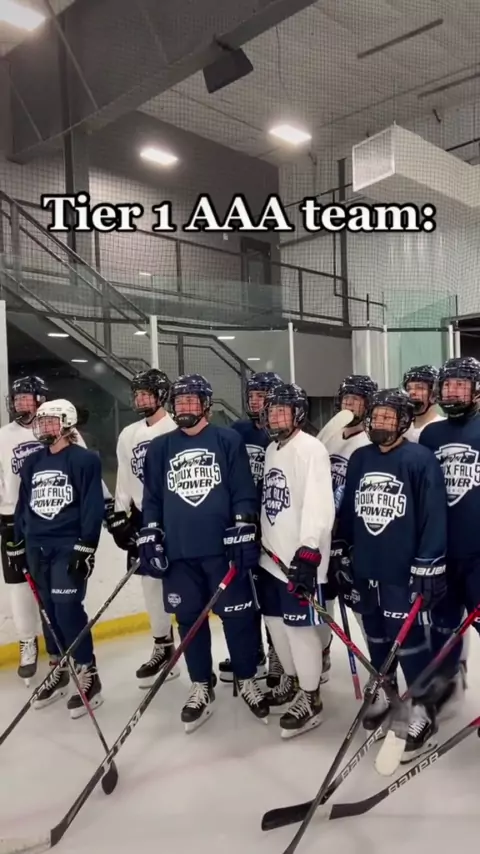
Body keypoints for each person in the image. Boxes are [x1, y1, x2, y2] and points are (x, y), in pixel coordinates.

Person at [140, 373, 268, 733]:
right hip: (179, 553)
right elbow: (152, 498)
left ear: (206, 404)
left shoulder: (227, 440)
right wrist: (150, 532)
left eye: (191, 400)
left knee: (238, 618)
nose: (184, 407)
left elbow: (243, 490)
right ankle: (201, 684)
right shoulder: (160, 447)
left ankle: (246, 678)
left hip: (222, 551)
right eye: (179, 401)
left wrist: (243, 524)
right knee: (189, 621)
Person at [335, 388, 448, 761]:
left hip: (403, 569)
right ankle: (386, 693)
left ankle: (422, 710)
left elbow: (433, 514)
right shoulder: (361, 458)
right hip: (368, 566)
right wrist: (341, 548)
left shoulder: (419, 459)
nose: (381, 422)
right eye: (377, 416)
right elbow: (348, 511)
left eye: (389, 417)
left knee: (410, 641)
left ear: (403, 421)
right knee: (376, 635)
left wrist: (429, 561)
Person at [0, 375, 110, 684]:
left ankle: (87, 668)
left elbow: (91, 504)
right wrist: (17, 543)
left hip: (67, 544)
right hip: (36, 543)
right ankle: (58, 664)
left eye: (51, 422)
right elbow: (23, 505)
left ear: (66, 423)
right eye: (42, 422)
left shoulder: (84, 459)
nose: (44, 427)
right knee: (47, 609)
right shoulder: (32, 461)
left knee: (66, 608)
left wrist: (86, 545)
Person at [258, 382, 335, 739]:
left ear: (298, 414)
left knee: (300, 630)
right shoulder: (272, 449)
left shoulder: (311, 449)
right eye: (271, 411)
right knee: (276, 625)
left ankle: (311, 696)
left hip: (299, 561)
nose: (275, 417)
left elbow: (319, 504)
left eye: (281, 411)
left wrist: (308, 550)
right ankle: (291, 680)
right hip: (270, 558)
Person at [106, 369, 179, 688]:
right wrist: (120, 516)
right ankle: (163, 646)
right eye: (137, 394)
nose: (140, 399)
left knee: (183, 585)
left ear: (162, 395)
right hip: (143, 517)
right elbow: (124, 478)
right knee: (151, 585)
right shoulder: (128, 434)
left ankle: (195, 655)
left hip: (175, 516)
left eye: (146, 393)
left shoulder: (176, 428)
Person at [419, 356, 480, 705]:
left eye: (461, 384)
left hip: (478, 554)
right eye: (448, 385)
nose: (453, 391)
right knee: (443, 625)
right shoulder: (431, 434)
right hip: (442, 553)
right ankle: (444, 686)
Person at [218, 370, 285, 689]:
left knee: (271, 594)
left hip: (273, 525)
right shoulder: (237, 431)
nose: (255, 401)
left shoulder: (282, 434)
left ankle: (277, 653)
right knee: (245, 593)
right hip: (243, 524)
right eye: (252, 395)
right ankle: (253, 651)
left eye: (262, 395)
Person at [324, 374, 377, 657]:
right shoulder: (330, 436)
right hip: (323, 536)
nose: (349, 405)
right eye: (346, 399)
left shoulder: (369, 444)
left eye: (356, 400)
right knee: (322, 602)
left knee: (359, 605)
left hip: (351, 539)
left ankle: (381, 668)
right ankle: (321, 659)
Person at [403, 365, 444, 442]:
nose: (412, 392)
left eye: (419, 388)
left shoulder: (443, 428)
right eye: (408, 388)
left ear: (434, 393)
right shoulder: (402, 429)